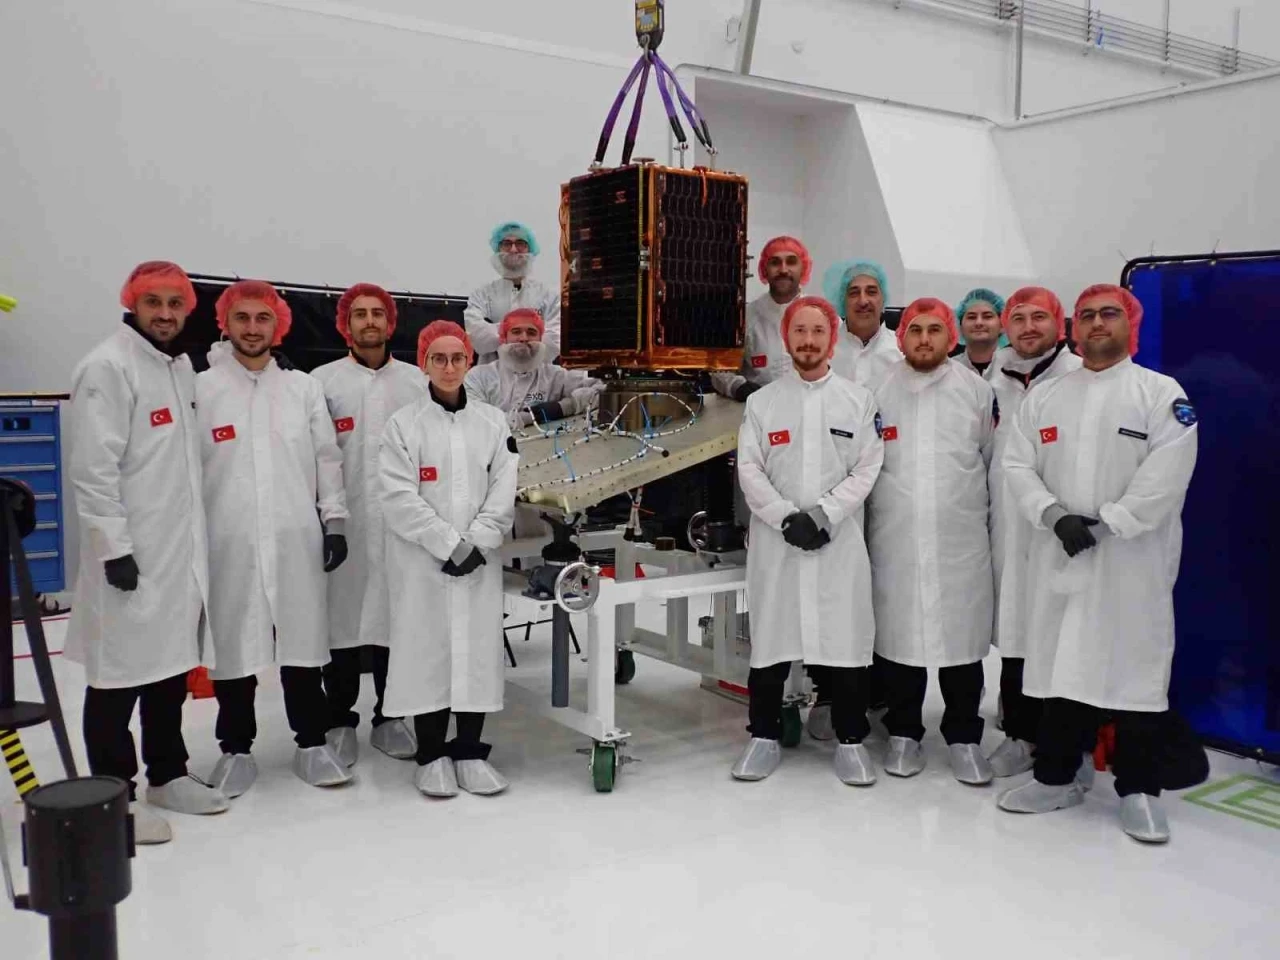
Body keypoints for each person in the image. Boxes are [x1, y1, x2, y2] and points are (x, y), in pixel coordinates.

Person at [997, 285, 1198, 843]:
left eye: (1109, 313)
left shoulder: (1160, 394)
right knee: (1062, 668)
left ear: (1131, 323)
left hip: (1131, 563)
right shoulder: (1047, 397)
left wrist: (1108, 523)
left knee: (1134, 673)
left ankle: (1139, 790)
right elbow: (1017, 464)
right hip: (1059, 556)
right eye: (1085, 315)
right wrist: (1053, 514)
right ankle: (1056, 777)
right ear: (1073, 329)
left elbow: (1167, 474)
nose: (1096, 323)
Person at [65, 261, 229, 845]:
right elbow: (93, 469)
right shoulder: (107, 367)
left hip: (177, 553)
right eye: (152, 302)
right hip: (130, 557)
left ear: (188, 309)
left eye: (174, 303)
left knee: (168, 670)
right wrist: (113, 548)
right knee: (116, 679)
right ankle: (113, 796)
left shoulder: (179, 366)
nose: (164, 313)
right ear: (132, 304)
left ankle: (168, 774)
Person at [197, 280, 353, 797]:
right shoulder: (203, 389)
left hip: (294, 536)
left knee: (303, 643)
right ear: (225, 322)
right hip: (228, 539)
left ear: (278, 325)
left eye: (262, 318)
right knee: (232, 645)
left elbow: (327, 459)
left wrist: (334, 521)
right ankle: (235, 749)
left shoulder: (301, 389)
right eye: (242, 317)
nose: (252, 328)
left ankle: (311, 743)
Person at [732, 296, 884, 785]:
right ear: (786, 338)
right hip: (777, 543)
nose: (809, 341)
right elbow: (750, 469)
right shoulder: (762, 403)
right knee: (771, 642)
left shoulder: (858, 401)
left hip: (837, 541)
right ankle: (763, 736)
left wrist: (823, 516)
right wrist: (785, 518)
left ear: (832, 340)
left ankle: (851, 740)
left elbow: (867, 467)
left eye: (818, 331)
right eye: (799, 331)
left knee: (845, 642)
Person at [379, 320, 519, 798]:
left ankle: (470, 752)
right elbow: (397, 496)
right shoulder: (403, 425)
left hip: (479, 559)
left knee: (476, 653)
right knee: (428, 652)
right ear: (424, 363)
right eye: (438, 358)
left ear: (469, 362)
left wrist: (477, 542)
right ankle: (431, 755)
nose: (448, 366)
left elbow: (504, 487)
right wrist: (448, 544)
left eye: (457, 358)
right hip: (423, 562)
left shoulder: (492, 422)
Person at [867, 299, 996, 784]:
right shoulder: (878, 390)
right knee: (900, 640)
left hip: (960, 540)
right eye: (915, 329)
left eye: (935, 329)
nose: (924, 338)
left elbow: (990, 458)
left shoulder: (976, 391)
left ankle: (964, 737)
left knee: (962, 641)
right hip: (895, 538)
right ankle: (904, 733)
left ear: (950, 337)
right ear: (901, 336)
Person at [311, 283, 429, 766]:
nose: (369, 322)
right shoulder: (322, 383)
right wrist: (331, 520)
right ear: (345, 324)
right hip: (344, 523)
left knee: (394, 620)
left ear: (391, 322)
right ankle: (339, 720)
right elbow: (318, 458)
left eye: (377, 313)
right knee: (341, 622)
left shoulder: (416, 382)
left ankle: (389, 717)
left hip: (401, 525)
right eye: (359, 314)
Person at [985, 288, 1082, 778]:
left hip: (1063, 529)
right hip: (1009, 527)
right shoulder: (994, 377)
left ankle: (1066, 744)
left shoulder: (1079, 377)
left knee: (1064, 635)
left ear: (1060, 324)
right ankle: (1019, 734)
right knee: (1016, 633)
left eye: (1039, 317)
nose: (1027, 327)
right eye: (1018, 318)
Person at [464, 307, 603, 427]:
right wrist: (528, 417)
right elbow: (475, 419)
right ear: (503, 338)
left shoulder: (556, 376)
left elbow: (604, 389)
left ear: (541, 339)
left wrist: (564, 407)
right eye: (516, 332)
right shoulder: (478, 377)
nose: (524, 338)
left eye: (531, 332)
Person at [711, 235, 811, 401]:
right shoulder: (744, 317)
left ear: (804, 268)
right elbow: (719, 368)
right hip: (757, 411)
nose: (783, 270)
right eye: (775, 262)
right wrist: (736, 386)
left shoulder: (823, 317)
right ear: (765, 269)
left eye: (791, 262)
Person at [463, 221, 560, 364]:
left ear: (530, 250)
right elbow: (477, 338)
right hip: (493, 375)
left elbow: (554, 340)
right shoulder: (481, 295)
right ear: (498, 250)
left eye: (521, 243)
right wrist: (531, 332)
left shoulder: (549, 296)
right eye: (506, 244)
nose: (513, 250)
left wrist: (500, 332)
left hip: (539, 375)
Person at [824, 259, 902, 391]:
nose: (863, 301)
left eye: (871, 292)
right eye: (854, 293)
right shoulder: (823, 351)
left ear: (883, 299)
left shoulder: (901, 352)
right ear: (842, 300)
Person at [952, 288, 1008, 379]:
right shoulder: (949, 370)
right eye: (971, 317)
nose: (979, 323)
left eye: (987, 316)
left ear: (1002, 325)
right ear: (960, 326)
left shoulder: (1016, 368)